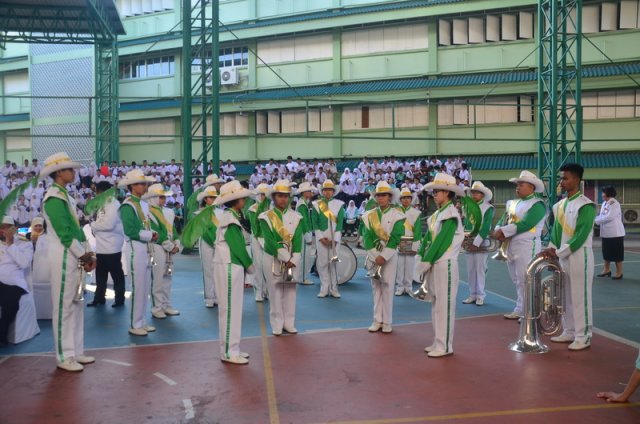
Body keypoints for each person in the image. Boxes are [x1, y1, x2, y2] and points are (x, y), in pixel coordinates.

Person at [41, 152, 97, 371]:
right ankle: (64, 356)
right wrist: (83, 254)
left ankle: (76, 351)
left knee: (76, 303)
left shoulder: (66, 196)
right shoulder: (54, 197)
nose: (74, 172)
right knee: (64, 306)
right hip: (64, 255)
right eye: (69, 169)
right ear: (58, 173)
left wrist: (89, 252)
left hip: (73, 255)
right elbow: (65, 233)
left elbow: (77, 230)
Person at [540, 163, 595, 351]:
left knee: (580, 295)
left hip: (580, 255)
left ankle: (584, 335)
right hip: (563, 255)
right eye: (561, 178)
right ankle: (569, 330)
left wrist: (559, 252)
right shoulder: (559, 206)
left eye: (566, 178)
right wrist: (550, 250)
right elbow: (556, 232)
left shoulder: (586, 205)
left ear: (577, 180)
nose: (562, 181)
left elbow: (581, 235)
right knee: (565, 294)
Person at [415, 173, 465, 357]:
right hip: (436, 262)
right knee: (436, 303)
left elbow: (442, 241)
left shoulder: (451, 214)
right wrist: (421, 255)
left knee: (445, 305)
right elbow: (428, 238)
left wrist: (427, 260)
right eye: (434, 191)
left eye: (438, 191)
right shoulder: (437, 214)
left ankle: (444, 346)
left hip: (445, 263)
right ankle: (438, 342)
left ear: (448, 193)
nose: (434, 194)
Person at [491, 170, 546, 320]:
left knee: (526, 279)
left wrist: (502, 231)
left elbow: (527, 223)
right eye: (517, 185)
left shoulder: (538, 204)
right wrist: (498, 229)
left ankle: (530, 311)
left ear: (532, 187)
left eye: (521, 184)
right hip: (511, 244)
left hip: (527, 245)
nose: (517, 187)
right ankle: (521, 308)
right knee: (516, 279)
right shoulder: (512, 203)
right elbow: (504, 218)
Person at [213, 180, 255, 365]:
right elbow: (237, 246)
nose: (244, 199)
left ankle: (231, 348)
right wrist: (250, 266)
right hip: (230, 266)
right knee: (230, 309)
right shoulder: (229, 218)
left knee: (232, 309)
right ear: (236, 200)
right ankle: (229, 352)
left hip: (231, 265)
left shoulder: (231, 215)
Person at [259, 180, 303, 336]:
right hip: (272, 258)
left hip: (292, 259)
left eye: (286, 196)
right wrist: (285, 257)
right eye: (280, 196)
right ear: (274, 197)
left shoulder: (297, 216)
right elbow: (269, 240)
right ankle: (277, 323)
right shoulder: (265, 217)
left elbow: (298, 238)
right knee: (275, 291)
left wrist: (295, 258)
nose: (283, 199)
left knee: (291, 291)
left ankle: (289, 323)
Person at [362, 182, 406, 334]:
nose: (380, 198)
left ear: (389, 197)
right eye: (378, 195)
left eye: (383, 195)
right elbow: (366, 236)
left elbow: (396, 237)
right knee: (376, 288)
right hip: (374, 256)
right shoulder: (368, 216)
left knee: (387, 287)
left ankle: (387, 321)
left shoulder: (397, 215)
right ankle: (377, 320)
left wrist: (384, 256)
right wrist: (375, 255)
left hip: (390, 256)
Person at [118, 169, 157, 336]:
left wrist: (151, 234)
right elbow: (130, 230)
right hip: (135, 248)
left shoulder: (143, 204)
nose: (144, 186)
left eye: (145, 183)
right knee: (138, 287)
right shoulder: (127, 205)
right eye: (141, 183)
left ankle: (142, 320)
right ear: (132, 186)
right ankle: (135, 324)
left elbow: (145, 225)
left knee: (146, 286)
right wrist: (151, 235)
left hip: (146, 248)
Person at [144, 184, 181, 319]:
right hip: (157, 247)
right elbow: (155, 231)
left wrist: (177, 242)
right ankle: (157, 308)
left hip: (169, 247)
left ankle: (166, 305)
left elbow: (174, 231)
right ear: (153, 197)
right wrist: (171, 246)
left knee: (167, 278)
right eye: (160, 197)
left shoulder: (169, 212)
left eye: (164, 197)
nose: (163, 200)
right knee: (158, 279)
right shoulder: (147, 212)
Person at [87, 181, 126, 308]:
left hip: (112, 246)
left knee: (116, 275)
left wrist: (93, 226)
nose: (96, 195)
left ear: (102, 192)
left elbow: (108, 225)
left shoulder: (113, 204)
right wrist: (95, 227)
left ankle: (119, 299)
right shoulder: (103, 204)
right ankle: (99, 298)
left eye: (97, 192)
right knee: (100, 275)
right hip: (101, 246)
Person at [0, 216, 33, 347]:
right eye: (0, 227)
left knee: (9, 302)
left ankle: (2, 335)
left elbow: (24, 263)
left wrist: (10, 244)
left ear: (13, 229)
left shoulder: (24, 243)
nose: (2, 231)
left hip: (14, 283)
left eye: (5, 227)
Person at [461, 182, 495, 306]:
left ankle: (480, 295)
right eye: (473, 192)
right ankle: (472, 294)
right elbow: (467, 224)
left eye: (477, 193)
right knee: (471, 269)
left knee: (480, 269)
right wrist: (464, 238)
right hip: (470, 240)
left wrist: (476, 242)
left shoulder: (488, 208)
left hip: (481, 240)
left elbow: (486, 226)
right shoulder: (469, 207)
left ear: (482, 195)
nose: (474, 195)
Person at [312, 180, 345, 298]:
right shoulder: (316, 204)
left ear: (333, 191)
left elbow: (340, 223)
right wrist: (321, 238)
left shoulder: (339, 204)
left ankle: (334, 288)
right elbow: (314, 223)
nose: (327, 192)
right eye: (325, 190)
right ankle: (324, 288)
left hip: (335, 238)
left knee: (333, 263)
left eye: (330, 190)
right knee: (322, 263)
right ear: (322, 191)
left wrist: (335, 239)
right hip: (321, 238)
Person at [196, 186, 221, 308]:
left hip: (218, 243)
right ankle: (209, 297)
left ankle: (217, 295)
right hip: (206, 242)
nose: (214, 199)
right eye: (211, 197)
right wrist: (214, 242)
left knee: (217, 270)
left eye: (215, 197)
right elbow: (204, 231)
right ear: (205, 199)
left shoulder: (220, 212)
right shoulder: (201, 212)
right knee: (208, 270)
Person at [395, 187, 421, 296]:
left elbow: (418, 230)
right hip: (398, 242)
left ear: (411, 200)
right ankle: (400, 287)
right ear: (400, 200)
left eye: (408, 198)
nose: (406, 200)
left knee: (410, 265)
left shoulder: (416, 213)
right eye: (404, 198)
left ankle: (409, 287)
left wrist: (415, 247)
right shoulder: (395, 211)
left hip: (411, 242)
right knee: (399, 265)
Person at [595, 186, 625, 280]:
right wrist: (595, 219)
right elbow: (601, 215)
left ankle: (619, 273)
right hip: (606, 233)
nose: (602, 194)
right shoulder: (605, 203)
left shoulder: (614, 203)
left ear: (608, 194)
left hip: (615, 233)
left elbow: (610, 217)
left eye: (603, 192)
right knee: (606, 252)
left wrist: (596, 221)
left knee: (617, 254)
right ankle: (606, 270)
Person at [247, 183, 270, 302]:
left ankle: (267, 291)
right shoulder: (252, 209)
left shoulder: (271, 208)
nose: (263, 197)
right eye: (261, 194)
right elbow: (255, 227)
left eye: (265, 195)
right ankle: (259, 291)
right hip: (257, 239)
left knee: (268, 266)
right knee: (258, 266)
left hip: (269, 239)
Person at [294, 182, 317, 285]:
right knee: (304, 257)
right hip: (303, 233)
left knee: (304, 256)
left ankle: (300, 276)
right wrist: (308, 236)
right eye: (309, 191)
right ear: (304, 193)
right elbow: (303, 221)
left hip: (304, 232)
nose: (311, 192)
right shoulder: (302, 205)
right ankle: (302, 278)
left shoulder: (303, 203)